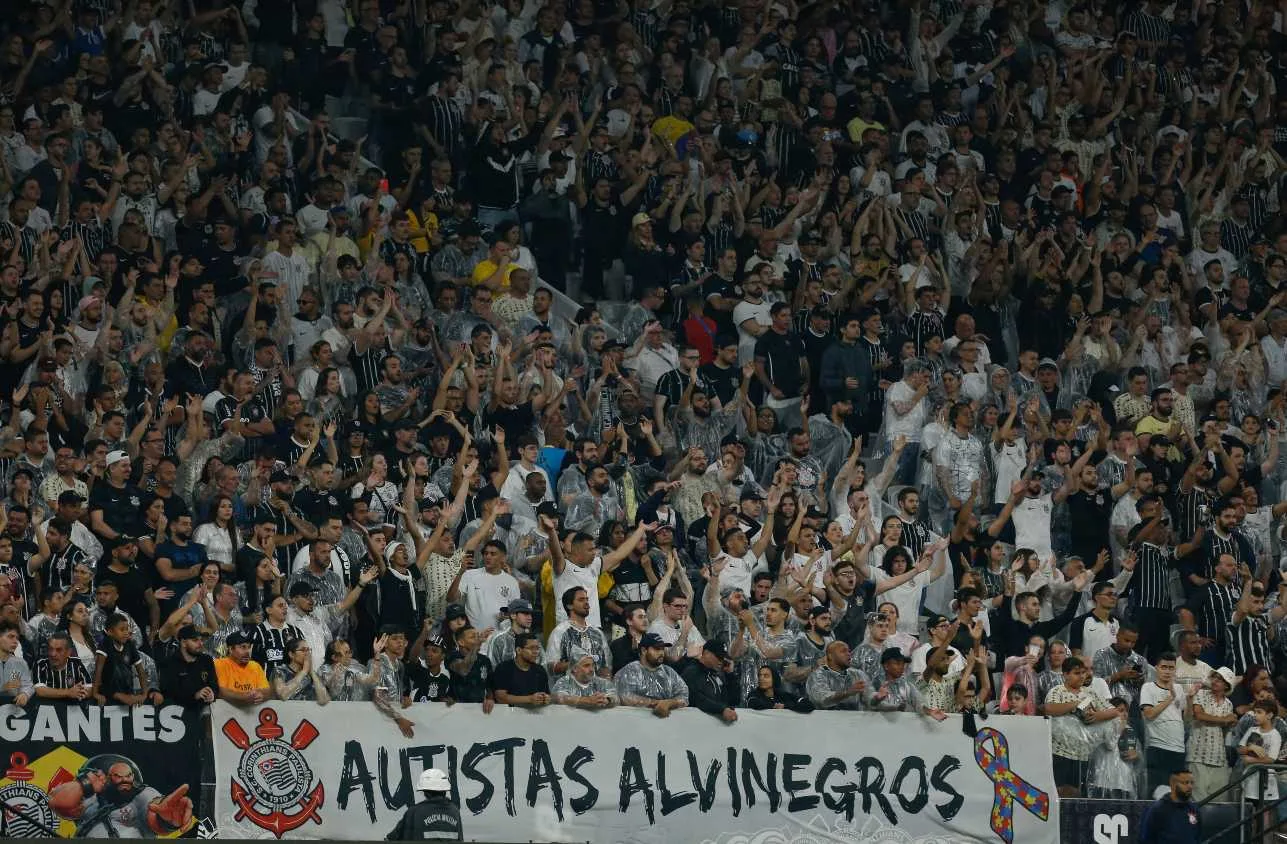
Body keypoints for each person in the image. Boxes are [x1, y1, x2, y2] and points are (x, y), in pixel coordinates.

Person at [384, 768, 463, 841]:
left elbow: (391, 838)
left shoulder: (413, 812)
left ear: (425, 792)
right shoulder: (454, 811)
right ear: (445, 790)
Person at [1138, 769, 1201, 844]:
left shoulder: (1194, 809)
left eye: (1192, 783)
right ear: (1173, 784)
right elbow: (1147, 839)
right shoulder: (1157, 809)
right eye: (1185, 783)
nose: (1190, 786)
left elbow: (1197, 837)